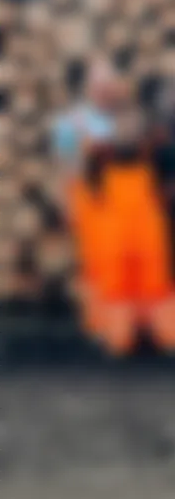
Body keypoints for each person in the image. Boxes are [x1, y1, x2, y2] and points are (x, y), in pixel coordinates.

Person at [56, 59, 175, 354]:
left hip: (139, 207)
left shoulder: (136, 120)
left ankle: (153, 333)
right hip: (96, 203)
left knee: (150, 271)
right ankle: (109, 332)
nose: (105, 90)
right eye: (99, 84)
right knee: (104, 272)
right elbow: (68, 169)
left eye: (109, 84)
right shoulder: (72, 123)